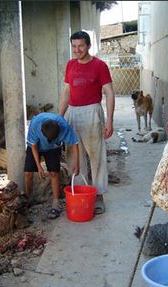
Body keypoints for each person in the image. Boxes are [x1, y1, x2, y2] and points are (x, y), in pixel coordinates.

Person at [58, 31, 115, 215]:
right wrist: (60, 117)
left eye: (81, 46)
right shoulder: (70, 65)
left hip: (92, 112)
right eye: (74, 46)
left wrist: (110, 121)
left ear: (89, 46)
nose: (77, 50)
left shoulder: (100, 66)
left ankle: (98, 195)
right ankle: (82, 193)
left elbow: (109, 93)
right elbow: (67, 92)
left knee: (96, 156)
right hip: (73, 113)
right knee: (74, 157)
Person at [24, 112, 79, 219]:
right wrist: (39, 166)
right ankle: (29, 198)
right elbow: (34, 146)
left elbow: (74, 143)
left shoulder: (65, 127)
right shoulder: (35, 125)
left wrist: (77, 164)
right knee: (28, 173)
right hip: (35, 147)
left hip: (53, 148)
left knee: (54, 173)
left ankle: (56, 203)